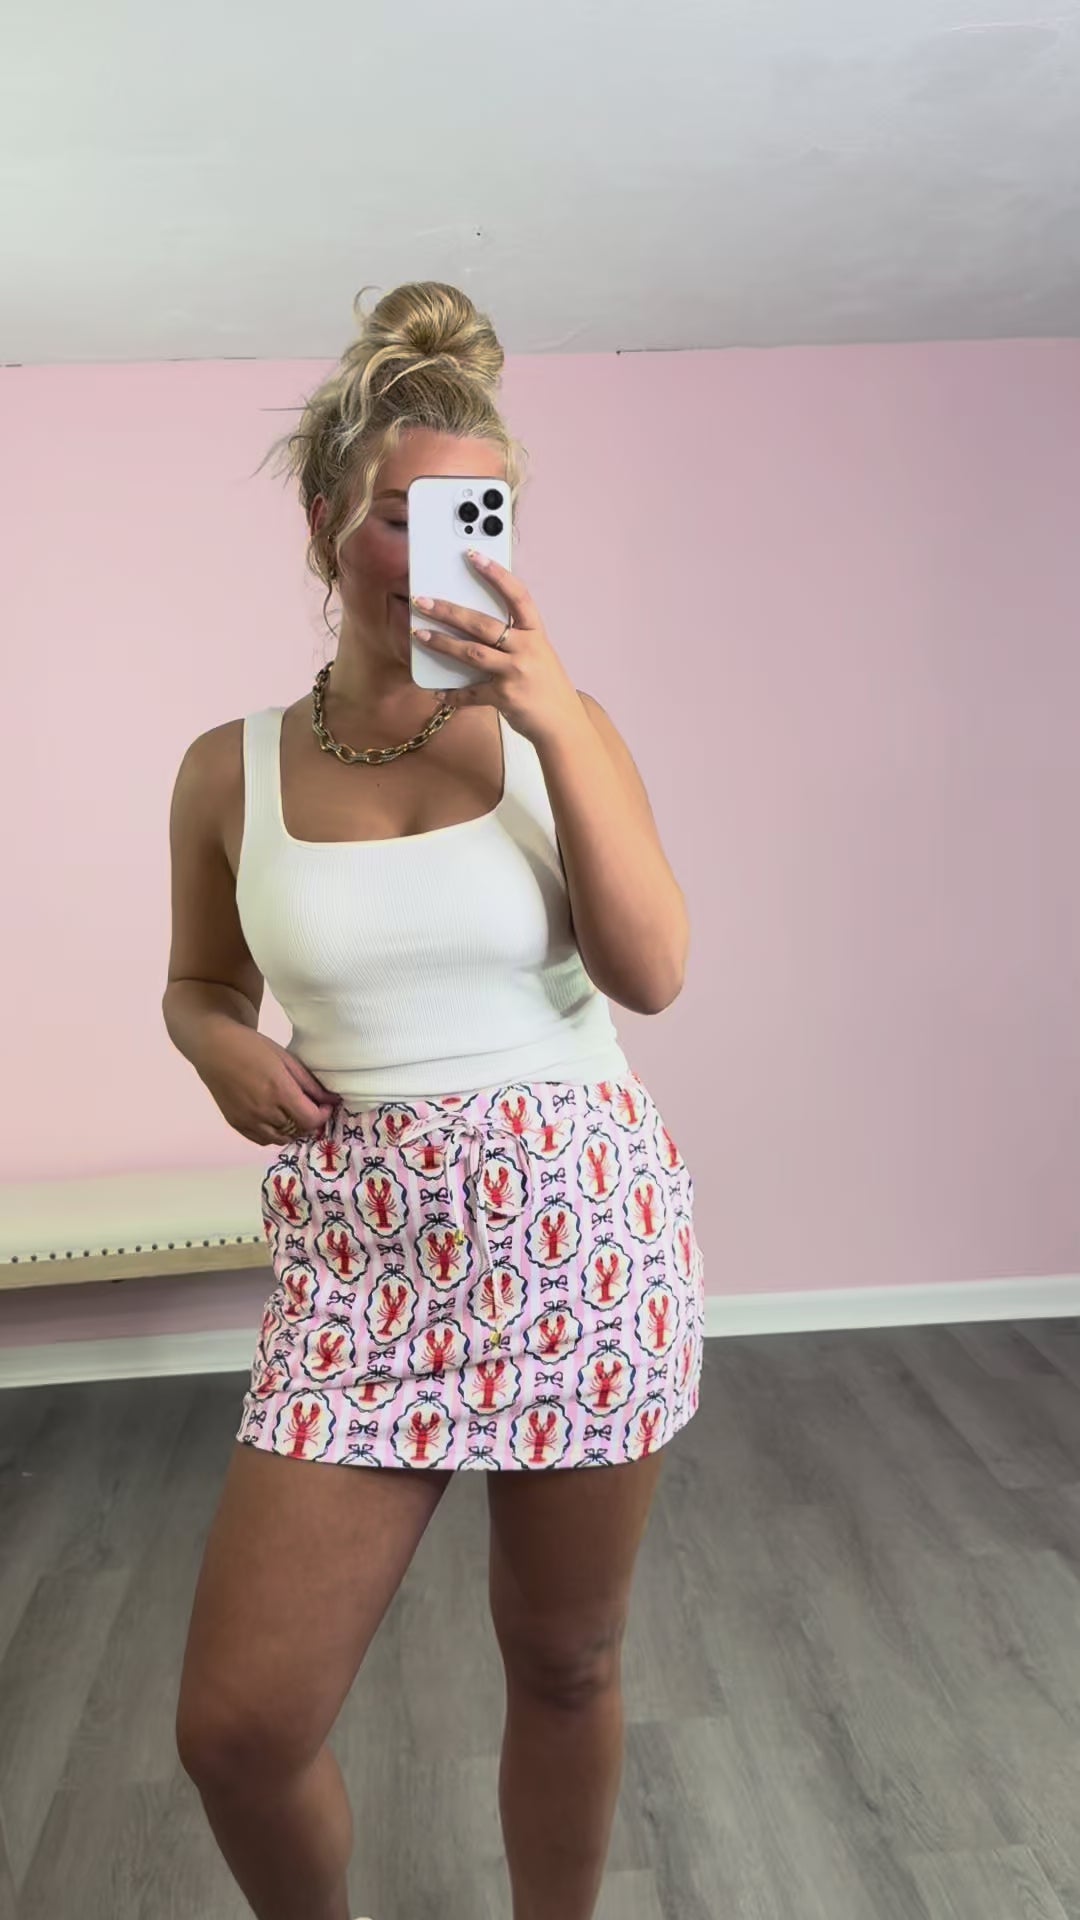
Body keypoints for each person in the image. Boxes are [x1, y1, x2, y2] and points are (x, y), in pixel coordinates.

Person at [163, 280, 704, 1920]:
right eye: (403, 516)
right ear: (324, 522)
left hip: (576, 1242)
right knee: (240, 1731)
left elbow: (653, 971)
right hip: (361, 1272)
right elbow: (198, 985)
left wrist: (552, 719)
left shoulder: (560, 727)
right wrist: (214, 1045)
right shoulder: (228, 769)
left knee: (565, 1656)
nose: (440, 552)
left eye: (478, 518)